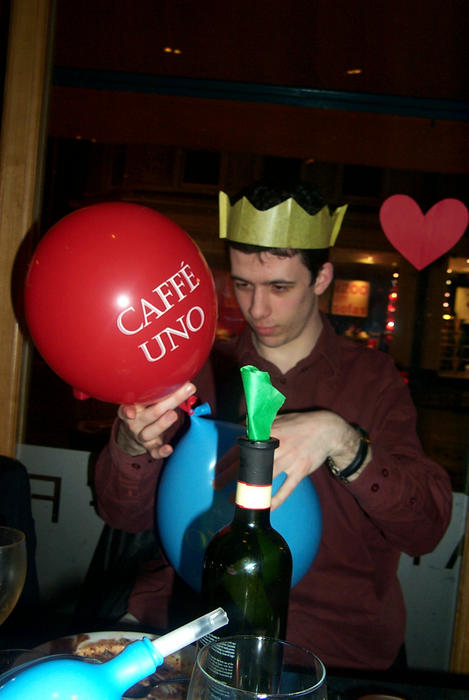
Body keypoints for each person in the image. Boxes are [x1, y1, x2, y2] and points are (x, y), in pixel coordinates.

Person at [94, 179, 452, 671]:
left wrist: (344, 442)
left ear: (322, 278)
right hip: (185, 629)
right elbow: (120, 516)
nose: (256, 308)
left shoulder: (373, 381)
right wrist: (130, 445)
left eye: (279, 287)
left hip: (328, 647)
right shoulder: (196, 371)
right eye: (243, 284)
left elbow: (426, 530)